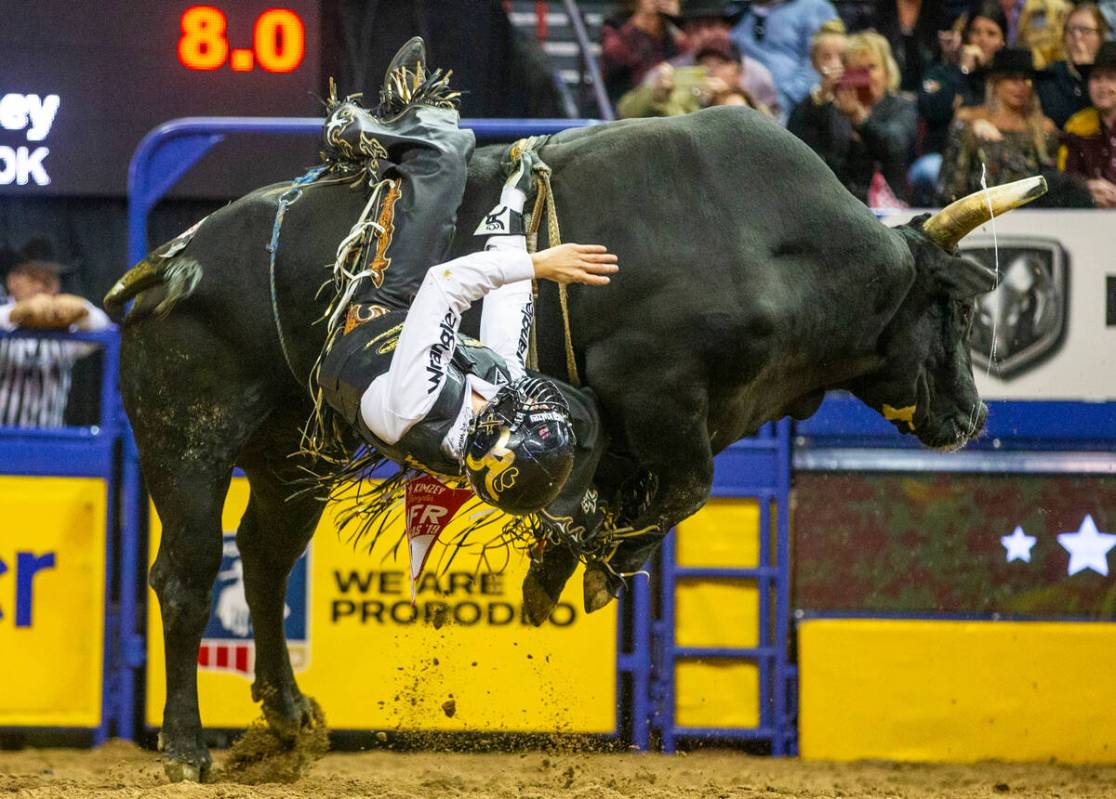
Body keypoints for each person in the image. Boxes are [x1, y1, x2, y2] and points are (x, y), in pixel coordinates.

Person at [316, 39, 618, 523]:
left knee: (446, 152)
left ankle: (360, 129)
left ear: (501, 430)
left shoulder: (418, 403)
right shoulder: (494, 418)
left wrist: (539, 265)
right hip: (430, 347)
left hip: (379, 318)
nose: (528, 403)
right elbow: (506, 322)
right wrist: (513, 206)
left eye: (523, 415)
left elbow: (443, 285)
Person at [788, 30, 917, 204]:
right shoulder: (833, 110)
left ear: (887, 71)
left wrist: (860, 120)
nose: (867, 77)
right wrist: (821, 98)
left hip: (889, 206)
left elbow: (894, 146)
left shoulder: (901, 106)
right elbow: (797, 144)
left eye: (872, 67)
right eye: (858, 71)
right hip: (838, 204)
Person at [0, 250, 112, 428]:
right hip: (4, 438)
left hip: (52, 442)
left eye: (49, 280)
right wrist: (15, 313)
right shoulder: (4, 311)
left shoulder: (65, 329)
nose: (42, 287)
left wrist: (83, 311)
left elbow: (105, 327)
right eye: (34, 277)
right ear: (13, 280)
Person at [938, 47, 1059, 202]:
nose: (1020, 86)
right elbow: (951, 184)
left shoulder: (1044, 128)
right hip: (977, 212)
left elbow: (1050, 185)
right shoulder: (968, 120)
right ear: (995, 82)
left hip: (1029, 213)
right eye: (1012, 79)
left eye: (1026, 79)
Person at [914, 3, 1009, 200]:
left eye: (991, 34)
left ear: (1002, 42)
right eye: (976, 32)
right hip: (944, 159)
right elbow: (932, 109)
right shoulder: (942, 73)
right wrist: (963, 71)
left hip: (996, 161)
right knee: (928, 169)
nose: (982, 40)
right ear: (966, 36)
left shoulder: (1006, 82)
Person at [668, 0, 782, 118]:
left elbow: (774, 124)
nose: (704, 34)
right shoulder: (670, 72)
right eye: (696, 27)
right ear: (685, 33)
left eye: (710, 25)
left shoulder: (757, 74)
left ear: (726, 28)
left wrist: (731, 94)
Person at [730, 0, 842, 114]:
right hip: (743, 103)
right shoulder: (734, 11)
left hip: (798, 108)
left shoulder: (814, 7)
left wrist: (784, 100)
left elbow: (820, 64)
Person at [617, 37, 767, 117]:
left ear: (738, 74)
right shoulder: (679, 96)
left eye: (721, 63)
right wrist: (656, 95)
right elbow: (625, 111)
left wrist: (724, 97)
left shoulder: (744, 100)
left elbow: (768, 129)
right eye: (705, 63)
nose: (711, 70)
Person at [1036, 2, 1110, 129]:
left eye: (1085, 30)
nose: (1077, 37)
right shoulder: (1048, 77)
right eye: (1071, 30)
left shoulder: (1111, 77)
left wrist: (1087, 69)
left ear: (1100, 36)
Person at [1060, 41, 1116, 207]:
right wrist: (1085, 188)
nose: (1102, 86)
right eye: (1096, 78)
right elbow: (1064, 178)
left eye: (1111, 78)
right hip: (1087, 217)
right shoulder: (1077, 125)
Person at [600, 0, 685, 105]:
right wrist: (639, 22)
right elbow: (612, 58)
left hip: (669, 100)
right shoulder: (616, 23)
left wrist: (680, 21)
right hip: (624, 98)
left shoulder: (674, 29)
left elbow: (693, 56)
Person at [871, 0, 952, 94]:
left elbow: (941, 73)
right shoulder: (874, 14)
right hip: (886, 96)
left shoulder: (939, 15)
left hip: (927, 96)